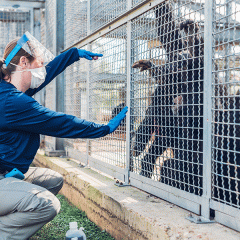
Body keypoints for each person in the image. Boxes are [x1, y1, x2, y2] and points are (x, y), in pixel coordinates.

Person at [0, 32, 128, 240]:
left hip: (7, 172)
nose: (42, 70)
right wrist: (102, 129)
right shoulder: (12, 102)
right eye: (39, 64)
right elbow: (61, 123)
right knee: (47, 204)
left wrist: (73, 54)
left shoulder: (8, 90)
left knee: (52, 180)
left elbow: (45, 75)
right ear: (24, 62)